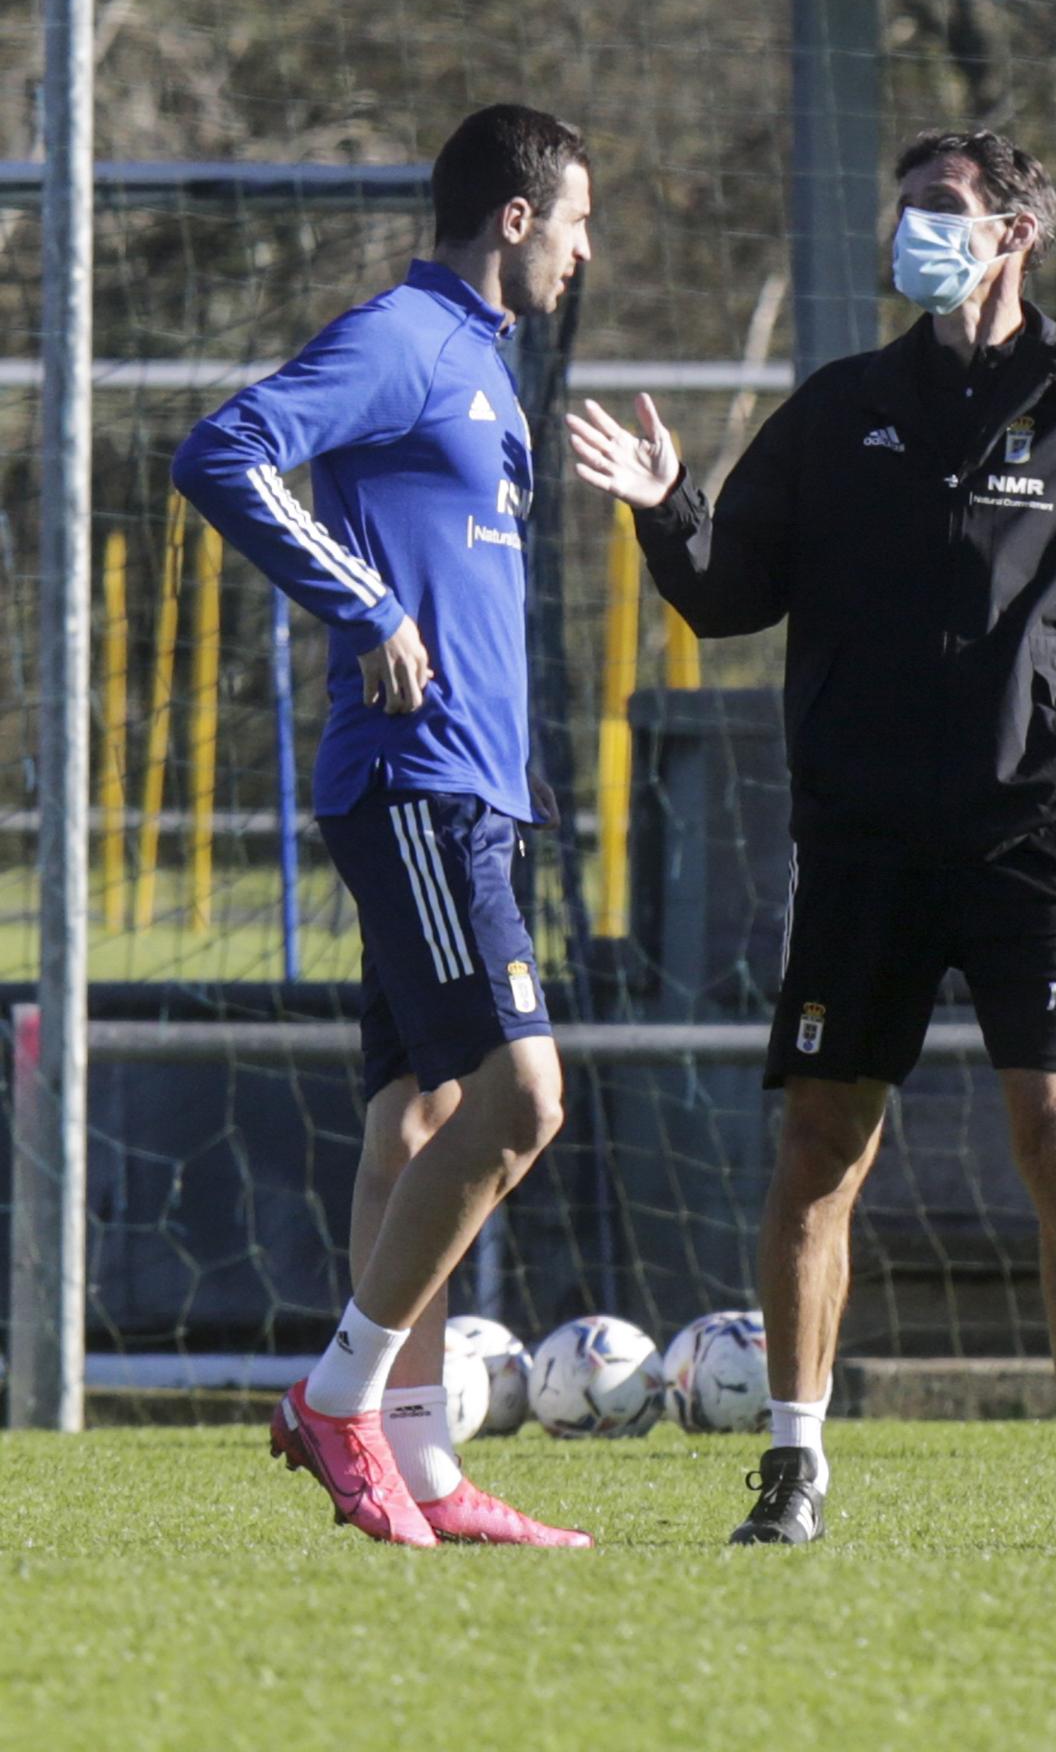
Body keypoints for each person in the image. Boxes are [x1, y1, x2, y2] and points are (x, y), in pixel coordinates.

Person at [566, 127, 1056, 1550]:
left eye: (940, 211)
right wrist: (666, 510)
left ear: (1015, 234)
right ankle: (789, 1467)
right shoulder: (843, 408)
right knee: (822, 1143)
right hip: (858, 842)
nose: (912, 232)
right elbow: (724, 598)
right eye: (902, 209)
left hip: (1030, 837)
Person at [174, 103, 594, 1549]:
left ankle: (419, 1469)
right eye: (580, 222)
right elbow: (225, 450)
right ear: (519, 218)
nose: (588, 251)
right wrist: (359, 606)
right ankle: (335, 1400)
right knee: (521, 1101)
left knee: (409, 1120)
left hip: (473, 793)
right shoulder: (406, 337)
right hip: (415, 790)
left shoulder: (483, 367)